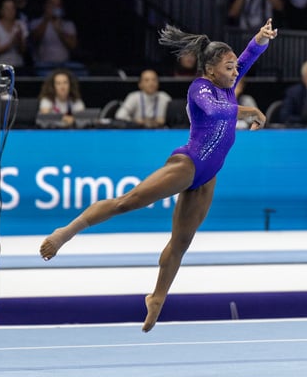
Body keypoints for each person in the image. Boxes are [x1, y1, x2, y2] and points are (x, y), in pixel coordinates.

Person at [39, 19, 277, 332]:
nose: (236, 72)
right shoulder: (199, 89)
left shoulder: (228, 84)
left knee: (181, 241)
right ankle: (65, 232)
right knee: (128, 201)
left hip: (208, 175)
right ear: (210, 70)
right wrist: (250, 111)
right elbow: (218, 111)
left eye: (235, 68)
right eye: (229, 68)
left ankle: (158, 297)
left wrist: (260, 39)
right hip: (188, 163)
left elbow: (247, 57)